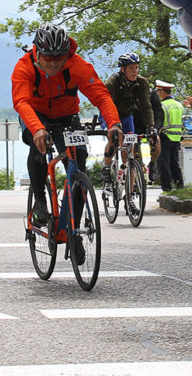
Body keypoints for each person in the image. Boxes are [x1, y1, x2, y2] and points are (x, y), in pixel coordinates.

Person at [11, 24, 123, 228]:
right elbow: (21, 102)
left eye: (59, 58)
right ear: (38, 53)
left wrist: (114, 124)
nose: (54, 64)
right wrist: (37, 128)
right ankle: (40, 202)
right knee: (38, 146)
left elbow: (101, 97)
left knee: (79, 165)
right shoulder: (24, 66)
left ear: (67, 53)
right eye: (48, 59)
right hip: (36, 115)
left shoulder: (77, 65)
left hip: (67, 116)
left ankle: (74, 228)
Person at [101, 52, 155, 183]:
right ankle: (106, 167)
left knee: (129, 148)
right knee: (114, 139)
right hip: (109, 114)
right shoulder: (113, 81)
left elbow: (145, 106)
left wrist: (150, 126)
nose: (135, 71)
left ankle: (129, 193)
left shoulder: (141, 82)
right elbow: (107, 103)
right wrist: (114, 124)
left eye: (137, 68)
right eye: (131, 68)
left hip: (127, 116)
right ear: (122, 69)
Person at [154, 80, 185, 191]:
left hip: (165, 136)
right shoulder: (179, 105)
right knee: (174, 163)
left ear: (162, 91)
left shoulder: (161, 105)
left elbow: (159, 122)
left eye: (157, 91)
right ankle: (179, 185)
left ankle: (167, 188)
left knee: (163, 164)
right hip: (177, 137)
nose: (156, 93)